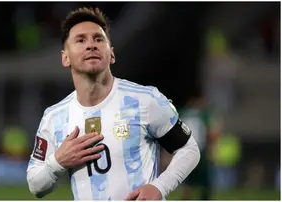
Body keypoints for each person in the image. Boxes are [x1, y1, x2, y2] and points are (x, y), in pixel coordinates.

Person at [26, 7, 200, 200]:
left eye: (98, 39)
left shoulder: (145, 100)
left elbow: (189, 149)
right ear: (65, 58)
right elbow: (35, 185)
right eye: (81, 40)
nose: (91, 45)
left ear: (112, 54)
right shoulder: (54, 118)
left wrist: (159, 187)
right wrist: (58, 162)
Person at [177, 93, 221, 200]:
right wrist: (212, 147)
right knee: (205, 179)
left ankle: (186, 198)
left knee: (187, 178)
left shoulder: (181, 113)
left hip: (184, 150)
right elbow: (213, 132)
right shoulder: (203, 114)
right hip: (200, 150)